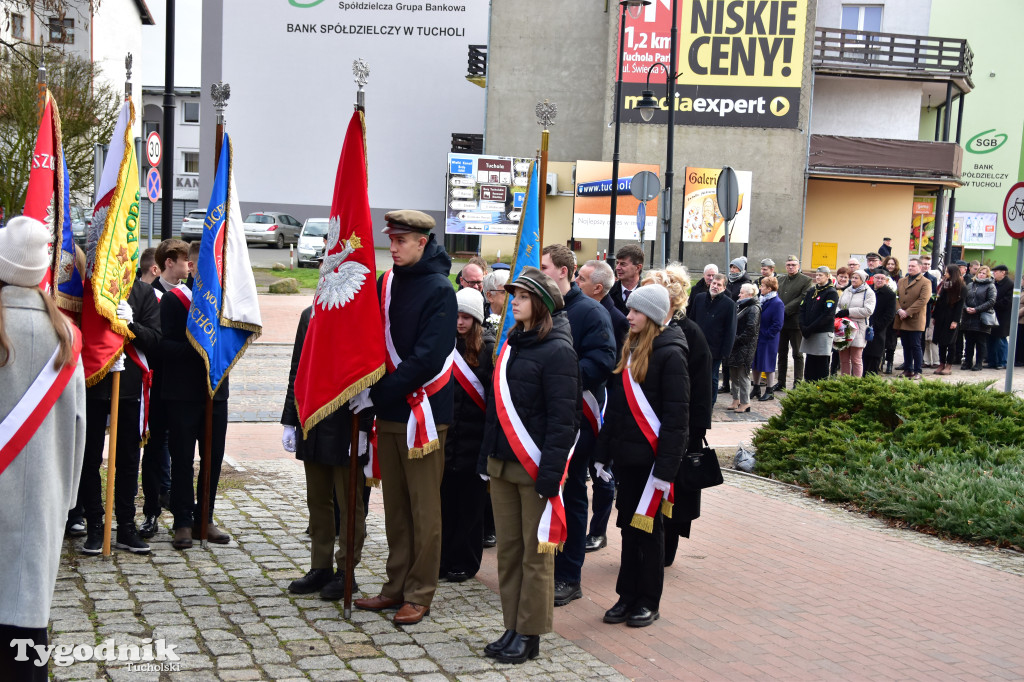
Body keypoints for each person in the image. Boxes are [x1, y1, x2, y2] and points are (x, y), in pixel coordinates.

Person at [351, 210, 457, 626]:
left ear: (422, 243)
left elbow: (428, 357)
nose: (392, 248)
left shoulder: (439, 290)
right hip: (390, 412)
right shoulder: (386, 283)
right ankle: (394, 586)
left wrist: (376, 393)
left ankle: (419, 592)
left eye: (401, 241)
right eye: (390, 240)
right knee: (395, 508)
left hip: (424, 412)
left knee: (424, 509)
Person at [477, 266, 579, 664]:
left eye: (519, 295)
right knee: (509, 553)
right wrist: (486, 457)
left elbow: (563, 420)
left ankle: (530, 632)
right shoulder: (513, 344)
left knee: (536, 557)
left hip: (534, 469)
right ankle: (512, 625)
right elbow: (494, 410)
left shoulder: (558, 350)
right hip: (503, 464)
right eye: (512, 295)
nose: (511, 300)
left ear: (539, 303)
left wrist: (551, 476)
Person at [0, 216, 86, 680]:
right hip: (42, 501)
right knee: (26, 630)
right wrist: (65, 502)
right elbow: (79, 432)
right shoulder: (67, 338)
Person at [596, 284, 688, 629]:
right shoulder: (631, 347)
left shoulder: (671, 353)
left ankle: (648, 600)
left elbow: (677, 419)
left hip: (652, 465)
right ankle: (626, 595)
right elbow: (617, 410)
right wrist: (602, 454)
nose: (628, 316)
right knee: (628, 530)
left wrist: (665, 471)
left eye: (635, 311)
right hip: (627, 461)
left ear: (650, 315)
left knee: (649, 534)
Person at [540, 245, 615, 605]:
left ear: (563, 272)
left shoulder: (591, 312)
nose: (539, 272)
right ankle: (544, 567)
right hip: (546, 416)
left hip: (577, 415)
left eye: (543, 267)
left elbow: (603, 361)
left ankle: (569, 576)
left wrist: (557, 378)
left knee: (570, 494)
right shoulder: (543, 306)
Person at [281, 305, 368, 600]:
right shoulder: (309, 314)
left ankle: (347, 570)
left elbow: (368, 372)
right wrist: (290, 420)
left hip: (346, 421)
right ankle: (321, 566)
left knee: (349, 501)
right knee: (318, 499)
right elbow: (298, 368)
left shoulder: (360, 314)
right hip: (312, 419)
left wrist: (365, 427)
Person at [78, 275, 162, 555]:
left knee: (127, 459)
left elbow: (155, 339)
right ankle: (94, 526)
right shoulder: (88, 290)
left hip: (128, 386)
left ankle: (126, 527)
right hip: (91, 383)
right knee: (89, 458)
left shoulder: (143, 292)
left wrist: (131, 325)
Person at [161, 247, 232, 549]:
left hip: (215, 392)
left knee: (212, 459)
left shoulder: (225, 303)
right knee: (181, 459)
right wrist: (197, 350)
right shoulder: (174, 300)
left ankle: (207, 517)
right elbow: (165, 346)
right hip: (183, 393)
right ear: (191, 265)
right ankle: (182, 522)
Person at [641, 266, 709, 569]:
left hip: (675, 428)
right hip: (646, 425)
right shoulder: (644, 329)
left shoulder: (689, 332)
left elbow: (700, 385)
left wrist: (693, 431)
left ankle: (665, 548)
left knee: (672, 492)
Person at [439, 289, 495, 582]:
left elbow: (492, 403)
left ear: (476, 320)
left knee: (470, 509)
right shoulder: (443, 344)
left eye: (466, 317)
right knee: (445, 505)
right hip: (448, 441)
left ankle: (465, 561)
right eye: (457, 316)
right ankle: (443, 558)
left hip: (474, 443)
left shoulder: (487, 350)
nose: (460, 322)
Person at [139, 238, 190, 538]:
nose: (189, 265)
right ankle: (150, 512)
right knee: (155, 448)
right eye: (184, 260)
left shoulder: (191, 295)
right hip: (155, 384)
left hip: (182, 387)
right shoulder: (149, 294)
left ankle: (183, 511)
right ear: (169, 262)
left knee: (181, 450)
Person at [690, 273, 736, 406]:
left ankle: (710, 403)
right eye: (714, 283)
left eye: (719, 285)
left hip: (715, 348)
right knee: (696, 375)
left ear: (724, 287)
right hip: (697, 346)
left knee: (711, 377)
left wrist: (725, 352)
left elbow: (730, 330)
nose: (715, 286)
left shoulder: (729, 305)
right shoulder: (699, 298)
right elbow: (692, 320)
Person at [776, 255, 813, 390]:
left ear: (798, 266)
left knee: (797, 353)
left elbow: (803, 298)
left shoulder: (806, 280)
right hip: (781, 322)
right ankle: (781, 382)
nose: (791, 267)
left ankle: (797, 382)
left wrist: (784, 309)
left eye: (793, 265)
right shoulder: (780, 279)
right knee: (781, 353)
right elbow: (776, 295)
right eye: (788, 265)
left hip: (795, 322)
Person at [577, 259, 629, 355]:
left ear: (597, 288)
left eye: (581, 279)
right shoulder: (577, 306)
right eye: (577, 276)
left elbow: (616, 361)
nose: (576, 281)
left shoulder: (617, 320)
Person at [894, 257, 933, 379]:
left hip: (915, 318)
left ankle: (918, 371)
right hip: (902, 317)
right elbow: (896, 297)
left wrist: (908, 312)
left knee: (915, 345)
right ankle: (908, 369)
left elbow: (923, 300)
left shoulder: (925, 282)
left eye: (913, 266)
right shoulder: (901, 281)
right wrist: (899, 310)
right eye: (909, 266)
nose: (910, 268)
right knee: (905, 345)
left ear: (920, 267)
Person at [799, 266, 839, 382]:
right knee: (810, 360)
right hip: (808, 330)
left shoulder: (831, 292)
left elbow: (827, 314)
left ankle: (820, 387)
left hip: (822, 331)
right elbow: (802, 307)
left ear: (827, 276)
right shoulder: (812, 290)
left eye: (820, 275)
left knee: (821, 362)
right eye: (816, 275)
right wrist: (802, 325)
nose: (818, 277)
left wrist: (810, 328)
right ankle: (808, 384)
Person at [835, 270, 876, 377]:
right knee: (843, 359)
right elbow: (839, 305)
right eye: (852, 277)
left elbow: (868, 310)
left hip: (858, 327)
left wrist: (849, 311)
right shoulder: (847, 290)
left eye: (856, 278)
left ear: (862, 280)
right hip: (843, 326)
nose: (853, 280)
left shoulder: (869, 293)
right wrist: (838, 313)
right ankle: (845, 382)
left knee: (856, 359)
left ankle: (856, 383)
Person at [726, 283, 760, 412]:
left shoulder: (753, 308)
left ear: (749, 294)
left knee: (743, 374)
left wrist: (737, 339)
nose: (739, 295)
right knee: (733, 374)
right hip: (736, 345)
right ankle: (736, 399)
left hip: (745, 347)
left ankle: (745, 402)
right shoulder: (741, 306)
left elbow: (751, 329)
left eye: (742, 293)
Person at [720, 257, 750, 394]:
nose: (732, 270)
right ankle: (725, 383)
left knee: (734, 357)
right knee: (725, 355)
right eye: (731, 267)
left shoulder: (746, 283)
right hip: (726, 318)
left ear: (741, 269)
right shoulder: (729, 281)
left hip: (738, 320)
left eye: (735, 268)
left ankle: (734, 386)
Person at [752, 276, 784, 401]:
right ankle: (756, 387)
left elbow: (778, 324)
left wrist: (766, 334)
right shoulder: (761, 300)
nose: (760, 288)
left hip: (768, 339)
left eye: (763, 286)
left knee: (768, 364)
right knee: (756, 362)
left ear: (769, 288)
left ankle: (770, 390)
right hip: (758, 337)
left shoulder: (777, 303)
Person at [960, 265, 996, 371]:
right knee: (969, 342)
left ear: (988, 275)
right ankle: (967, 362)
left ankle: (979, 363)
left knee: (980, 342)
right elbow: (963, 299)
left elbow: (991, 301)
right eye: (980, 272)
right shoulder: (970, 285)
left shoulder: (990, 286)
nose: (981, 274)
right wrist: (966, 308)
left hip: (981, 318)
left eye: (984, 273)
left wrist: (976, 309)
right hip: (968, 317)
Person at [931, 264, 965, 375]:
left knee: (950, 342)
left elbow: (960, 306)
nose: (945, 273)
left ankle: (949, 366)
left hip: (951, 318)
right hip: (941, 317)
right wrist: (935, 316)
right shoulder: (945, 285)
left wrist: (955, 320)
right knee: (941, 342)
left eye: (947, 271)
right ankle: (941, 364)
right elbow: (939, 302)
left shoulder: (961, 287)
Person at [863, 272, 897, 375]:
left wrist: (877, 326)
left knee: (875, 355)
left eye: (882, 278)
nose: (879, 280)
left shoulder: (890, 294)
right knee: (863, 355)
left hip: (879, 328)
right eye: (877, 278)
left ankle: (872, 378)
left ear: (886, 281)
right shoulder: (867, 290)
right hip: (864, 325)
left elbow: (890, 314)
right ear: (873, 279)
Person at [987, 265, 1013, 369]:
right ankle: (992, 361)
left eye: (996, 272)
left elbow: (1007, 301)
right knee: (991, 339)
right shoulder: (994, 283)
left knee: (1001, 339)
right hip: (992, 315)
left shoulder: (1010, 284)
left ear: (1003, 272)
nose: (994, 274)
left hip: (1003, 317)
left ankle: (1003, 362)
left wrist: (992, 303)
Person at [609, 243, 644, 315]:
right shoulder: (609, 291)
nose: (617, 268)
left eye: (623, 264)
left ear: (637, 268)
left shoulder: (647, 294)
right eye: (617, 263)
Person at [482, 268, 510, 332]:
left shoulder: (519, 319)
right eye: (505, 292)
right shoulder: (479, 321)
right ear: (490, 296)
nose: (511, 296)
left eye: (512, 292)